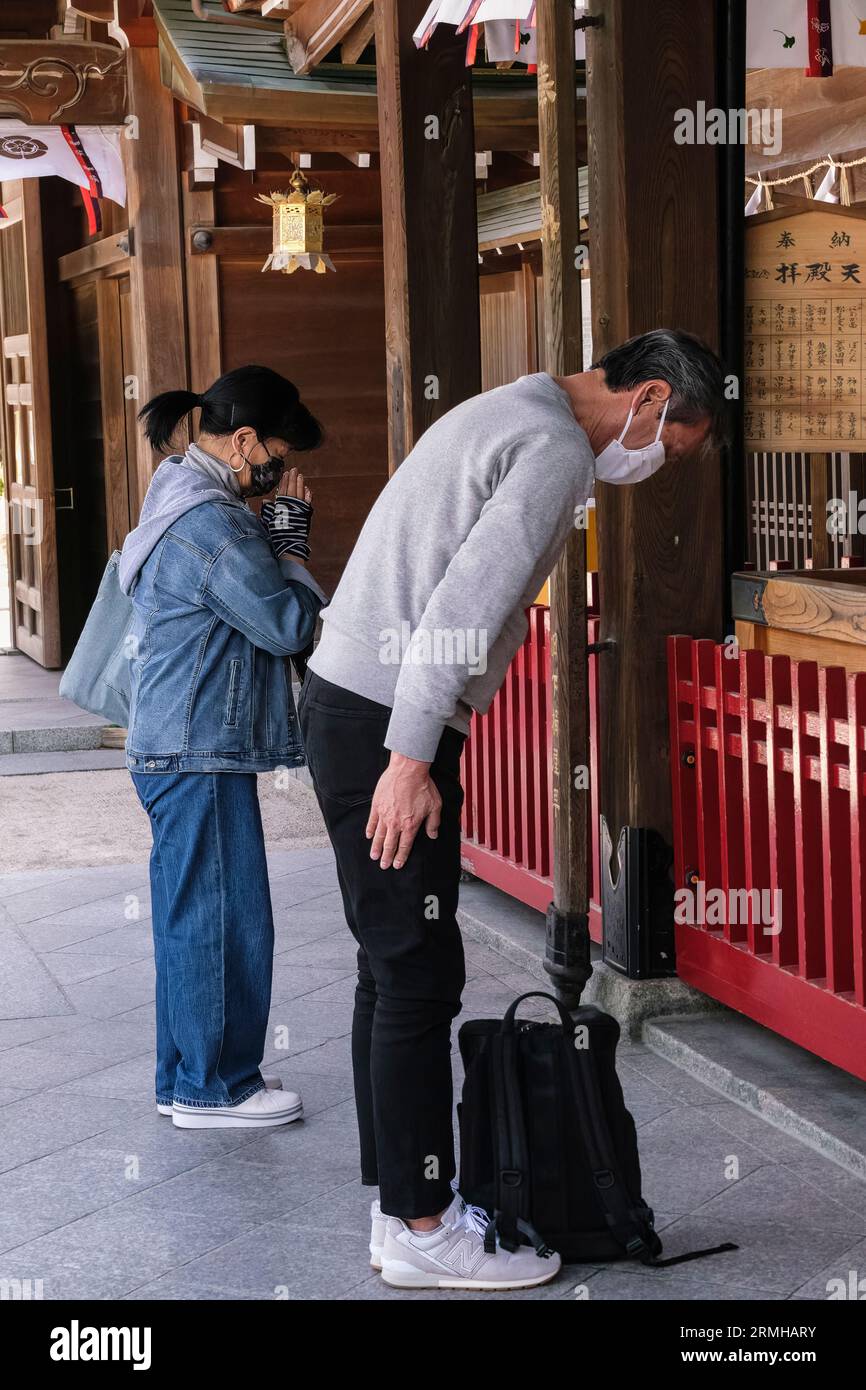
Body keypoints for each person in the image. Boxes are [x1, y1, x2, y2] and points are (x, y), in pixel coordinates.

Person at [299, 328, 728, 1290]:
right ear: (651, 398)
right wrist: (411, 758)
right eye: (675, 447)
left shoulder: (512, 405)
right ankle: (419, 1221)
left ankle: (398, 1210)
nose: (656, 466)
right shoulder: (554, 448)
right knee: (416, 972)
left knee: (390, 965)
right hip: (387, 717)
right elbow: (464, 603)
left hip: (350, 697)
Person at [119, 365, 326, 1129]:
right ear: (242, 442)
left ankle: (186, 1078)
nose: (276, 469)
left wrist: (270, 537)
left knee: (189, 915)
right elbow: (288, 626)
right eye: (273, 450)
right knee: (224, 919)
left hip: (174, 744)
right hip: (199, 746)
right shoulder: (213, 521)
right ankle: (218, 1087)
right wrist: (294, 545)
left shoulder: (174, 487)